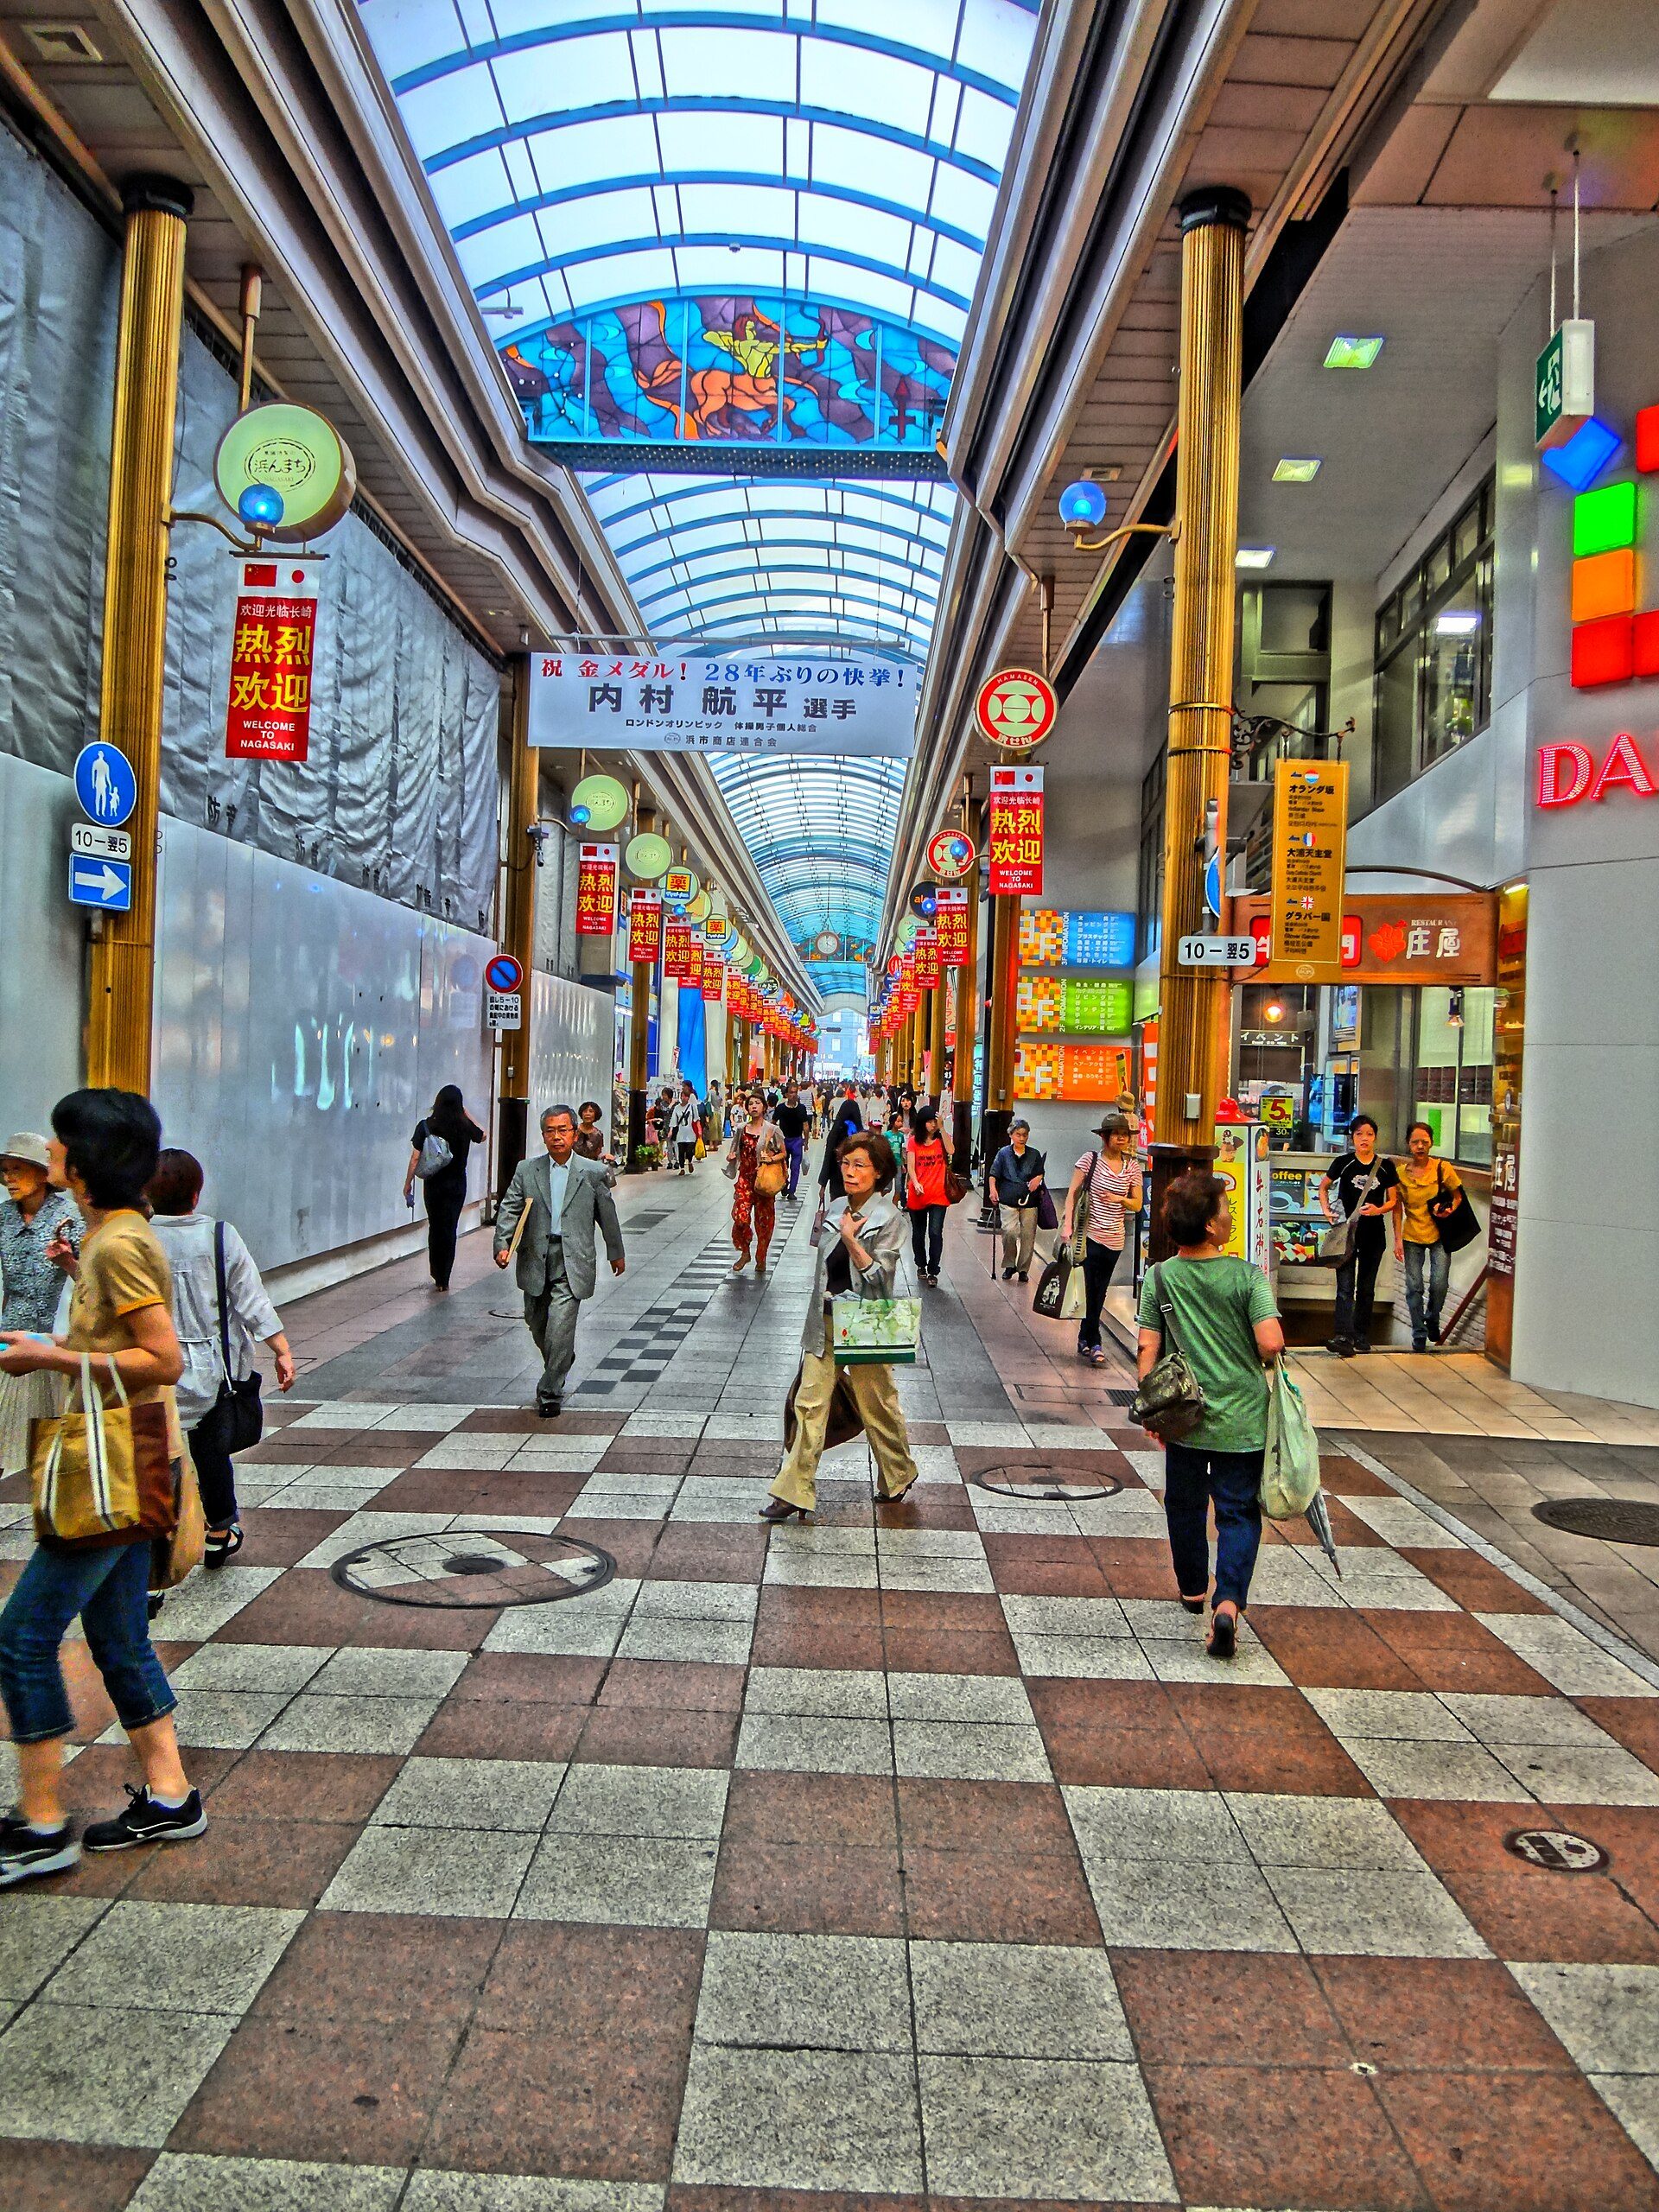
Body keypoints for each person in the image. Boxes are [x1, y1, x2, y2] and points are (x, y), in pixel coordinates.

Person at [0, 1090, 205, 1885]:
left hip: (110, 1469)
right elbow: (120, 1334)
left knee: (22, 1637)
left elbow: (164, 1360)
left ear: (85, 1164)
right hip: (130, 1460)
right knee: (118, 1638)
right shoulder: (109, 1235)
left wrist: (49, 1357)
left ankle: (42, 1822)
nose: (50, 1153)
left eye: (59, 1144)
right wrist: (61, 1317)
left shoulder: (118, 1243)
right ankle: (171, 1795)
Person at [1136, 1171, 1284, 1660]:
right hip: (1243, 1418)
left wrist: (1152, 1409)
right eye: (1225, 1209)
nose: (1231, 1215)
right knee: (1238, 1511)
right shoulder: (1247, 1277)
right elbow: (1271, 1342)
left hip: (1185, 1417)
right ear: (1209, 1226)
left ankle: (1193, 1588)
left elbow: (1148, 1347)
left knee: (1184, 1504)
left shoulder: (1160, 1277)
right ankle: (1228, 1605)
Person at [145, 1149, 296, 1567]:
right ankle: (218, 1531)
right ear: (196, 1194)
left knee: (157, 1453)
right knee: (210, 1450)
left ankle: (157, 1546)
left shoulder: (138, 1238)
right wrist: (281, 1350)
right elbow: (251, 1300)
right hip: (215, 1368)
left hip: (154, 1362)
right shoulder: (219, 1236)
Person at [764, 1130, 918, 1521]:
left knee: (877, 1404)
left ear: (879, 1172)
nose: (850, 1171)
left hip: (866, 1321)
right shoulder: (835, 1208)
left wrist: (852, 1240)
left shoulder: (890, 1219)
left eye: (859, 1165)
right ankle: (794, 1491)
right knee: (809, 1405)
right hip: (826, 1320)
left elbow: (881, 1282)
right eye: (846, 1163)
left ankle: (898, 1473)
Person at [495, 1105, 626, 1416]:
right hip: (536, 1256)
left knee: (561, 1325)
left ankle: (550, 1391)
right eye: (550, 1131)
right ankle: (562, 1358)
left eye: (563, 1130)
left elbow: (607, 1215)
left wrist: (616, 1252)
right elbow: (510, 1208)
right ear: (543, 1135)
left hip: (573, 1259)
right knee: (536, 1321)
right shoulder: (527, 1170)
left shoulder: (592, 1172)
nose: (557, 1137)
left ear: (574, 1133)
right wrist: (502, 1244)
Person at [0, 1134, 80, 1478]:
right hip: (10, 1335)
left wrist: (68, 1263)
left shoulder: (69, 1216)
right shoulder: (4, 1217)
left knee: (52, 1442)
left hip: (56, 1340)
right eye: (5, 1171)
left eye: (17, 1169)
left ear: (42, 1172)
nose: (9, 1178)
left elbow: (92, 1281)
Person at [1063, 1113, 1143, 1367]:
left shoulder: (1132, 1167)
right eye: (1116, 1134)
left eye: (1125, 1134)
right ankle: (1095, 1341)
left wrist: (1120, 1199)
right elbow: (1072, 1193)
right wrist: (1067, 1226)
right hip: (1090, 1235)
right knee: (1089, 1288)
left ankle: (1084, 1337)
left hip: (1115, 1239)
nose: (1121, 1138)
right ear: (1105, 1137)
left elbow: (1138, 1204)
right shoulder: (1091, 1160)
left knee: (1101, 1289)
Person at [1319, 1113, 1400, 1356]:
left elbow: (1394, 1200)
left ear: (1375, 1138)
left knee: (1366, 1286)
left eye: (1369, 1134)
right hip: (1346, 1233)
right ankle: (1343, 1335)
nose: (1364, 1139)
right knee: (1344, 1287)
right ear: (1352, 1137)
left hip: (1374, 1234)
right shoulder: (1343, 1162)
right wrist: (1326, 1210)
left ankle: (1361, 1335)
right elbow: (1323, 1186)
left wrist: (1378, 1210)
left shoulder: (1385, 1166)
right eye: (1359, 1134)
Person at [403, 1084, 485, 1292]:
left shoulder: (426, 1125)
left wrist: (408, 1184)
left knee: (436, 1226)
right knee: (450, 1228)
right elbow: (482, 1135)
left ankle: (436, 1271)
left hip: (434, 1185)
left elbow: (415, 1158)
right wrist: (466, 1113)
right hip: (457, 1185)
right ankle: (444, 1278)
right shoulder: (464, 1125)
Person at [1395, 1120, 1464, 1353]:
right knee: (1414, 1287)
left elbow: (1458, 1197)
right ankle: (1419, 1333)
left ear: (1432, 1143)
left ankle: (1433, 1318)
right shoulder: (1400, 1174)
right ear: (1408, 1144)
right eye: (1415, 1142)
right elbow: (1396, 1208)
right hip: (1412, 1234)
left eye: (1424, 1141)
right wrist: (1397, 1240)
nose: (1420, 1146)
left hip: (1440, 1234)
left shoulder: (1442, 1168)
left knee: (1439, 1283)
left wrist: (1449, 1210)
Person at [728, 1090, 786, 1275]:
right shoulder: (741, 1129)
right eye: (751, 1104)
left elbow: (783, 1153)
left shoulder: (772, 1130)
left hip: (763, 1181)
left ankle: (761, 1256)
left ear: (764, 1107)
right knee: (741, 1217)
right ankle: (745, 1252)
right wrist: (732, 1157)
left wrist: (771, 1159)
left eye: (757, 1103)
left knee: (764, 1221)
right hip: (745, 1179)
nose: (753, 1106)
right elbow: (735, 1150)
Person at [988, 1119, 1046, 1282]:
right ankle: (1009, 1264)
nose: (1022, 1138)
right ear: (1011, 1135)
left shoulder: (1034, 1154)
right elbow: (994, 1174)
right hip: (1008, 1198)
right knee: (1009, 1232)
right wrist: (993, 1190)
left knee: (1028, 1236)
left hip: (1029, 1200)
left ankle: (1023, 1269)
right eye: (1018, 1135)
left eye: (1025, 1135)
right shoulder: (1003, 1153)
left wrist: (1038, 1178)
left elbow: (1040, 1172)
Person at [904, 1104, 950, 1286]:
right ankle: (920, 1264)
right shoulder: (913, 1141)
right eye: (930, 1122)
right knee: (918, 1232)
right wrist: (915, 1183)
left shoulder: (941, 1140)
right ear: (922, 1123)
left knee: (935, 1232)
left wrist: (943, 1128)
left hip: (939, 1194)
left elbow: (952, 1150)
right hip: (918, 1193)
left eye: (935, 1122)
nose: (933, 1125)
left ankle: (933, 1269)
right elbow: (911, 1166)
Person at [817, 1084, 866, 1205]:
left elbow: (828, 1159)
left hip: (837, 1179)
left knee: (837, 1209)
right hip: (856, 1180)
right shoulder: (861, 1135)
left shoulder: (835, 1133)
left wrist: (823, 1185)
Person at [775, 1080, 810, 1199]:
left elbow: (805, 1125)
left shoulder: (801, 1109)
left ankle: (792, 1191)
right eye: (791, 1092)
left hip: (797, 1140)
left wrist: (806, 1142)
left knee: (795, 1167)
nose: (793, 1095)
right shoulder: (780, 1108)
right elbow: (773, 1123)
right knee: (783, 1165)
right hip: (783, 1140)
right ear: (786, 1094)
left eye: (795, 1092)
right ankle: (784, 1184)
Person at [667, 1082, 702, 1174]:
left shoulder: (692, 1107)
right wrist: (670, 1131)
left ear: (688, 1098)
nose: (683, 1098)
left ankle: (690, 1161)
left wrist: (699, 1131)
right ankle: (682, 1169)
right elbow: (673, 1120)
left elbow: (697, 1119)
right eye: (682, 1096)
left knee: (690, 1150)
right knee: (681, 1151)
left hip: (690, 1132)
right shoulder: (677, 1108)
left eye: (685, 1096)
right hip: (681, 1133)